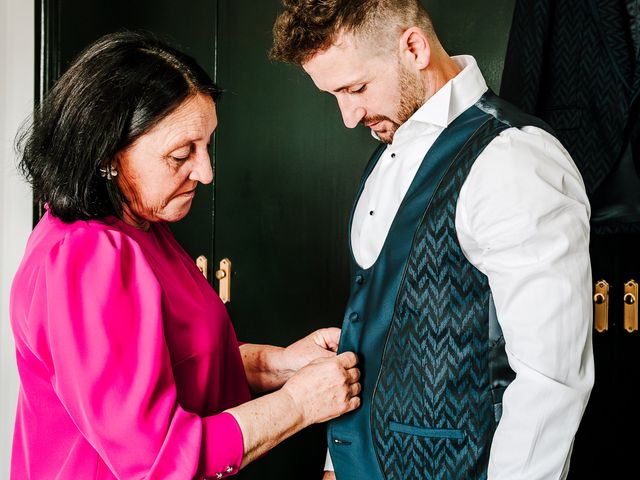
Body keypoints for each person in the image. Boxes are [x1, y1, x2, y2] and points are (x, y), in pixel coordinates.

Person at [10, 31, 361, 479]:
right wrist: (298, 403)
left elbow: (175, 361)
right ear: (108, 156)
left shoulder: (142, 225)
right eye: (181, 154)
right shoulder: (86, 256)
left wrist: (277, 364)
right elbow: (157, 459)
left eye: (207, 145)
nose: (206, 172)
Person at [270, 1, 594, 479]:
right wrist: (335, 463)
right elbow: (371, 327)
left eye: (356, 88)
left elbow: (551, 382)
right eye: (334, 95)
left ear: (414, 48)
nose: (347, 115)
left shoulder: (512, 158)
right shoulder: (386, 155)